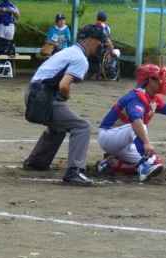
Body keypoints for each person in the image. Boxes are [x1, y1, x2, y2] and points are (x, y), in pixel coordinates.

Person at [22, 24, 106, 186]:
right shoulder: (81, 59)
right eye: (98, 41)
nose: (100, 45)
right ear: (89, 40)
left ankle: (36, 162)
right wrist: (65, 96)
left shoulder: (69, 51)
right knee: (82, 127)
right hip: (42, 98)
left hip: (33, 93)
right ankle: (74, 171)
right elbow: (64, 85)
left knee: (59, 127)